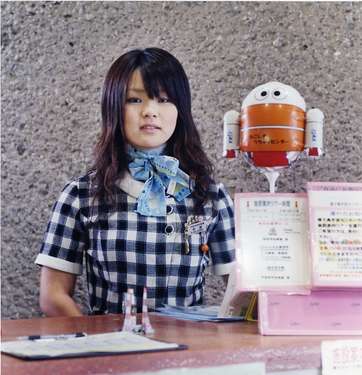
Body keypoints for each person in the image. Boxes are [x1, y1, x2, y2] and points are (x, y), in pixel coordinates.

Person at [35, 47, 236, 316]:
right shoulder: (81, 195)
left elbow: (242, 288)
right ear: (113, 108)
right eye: (134, 100)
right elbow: (53, 297)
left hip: (190, 351)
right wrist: (97, 345)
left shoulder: (209, 196)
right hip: (111, 352)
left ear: (181, 110)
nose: (150, 111)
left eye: (164, 99)